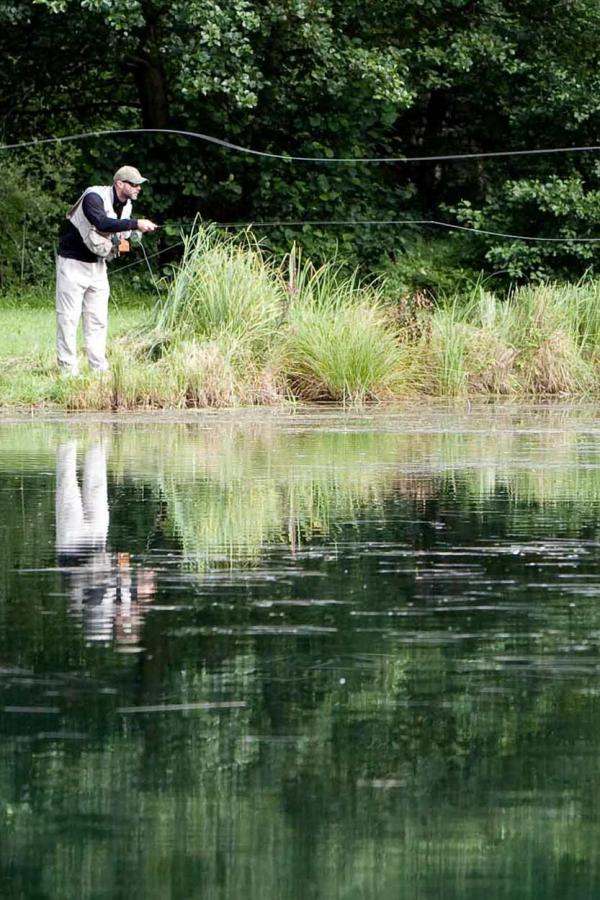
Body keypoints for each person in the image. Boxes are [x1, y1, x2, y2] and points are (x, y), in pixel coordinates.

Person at [55, 165, 158, 375]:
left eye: (139, 185)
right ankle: (68, 372)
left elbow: (118, 233)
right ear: (120, 183)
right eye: (134, 184)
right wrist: (136, 224)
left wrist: (125, 240)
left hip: (98, 266)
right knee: (68, 318)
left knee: (98, 320)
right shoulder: (93, 197)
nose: (138, 188)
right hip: (72, 263)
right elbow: (101, 221)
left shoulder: (126, 204)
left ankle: (99, 370)